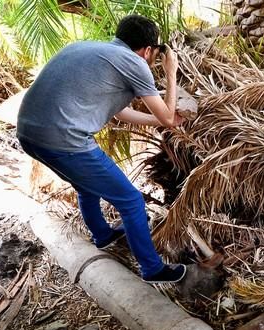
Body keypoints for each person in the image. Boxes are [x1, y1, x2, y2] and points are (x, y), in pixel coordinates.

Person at [17, 15, 186, 284]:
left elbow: (121, 113)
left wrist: (162, 119)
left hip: (28, 135)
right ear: (148, 50)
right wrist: (171, 72)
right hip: (64, 140)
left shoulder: (85, 48)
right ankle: (153, 269)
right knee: (131, 201)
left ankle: (103, 235)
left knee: (87, 185)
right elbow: (167, 117)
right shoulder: (135, 63)